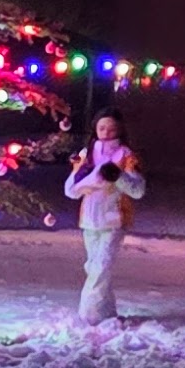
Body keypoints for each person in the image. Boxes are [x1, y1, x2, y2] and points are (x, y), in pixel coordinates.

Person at [64, 107, 145, 325]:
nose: (106, 133)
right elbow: (71, 189)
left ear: (119, 130)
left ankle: (88, 316)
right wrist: (86, 182)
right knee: (94, 266)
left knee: (102, 265)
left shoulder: (126, 156)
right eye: (101, 128)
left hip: (115, 221)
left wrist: (117, 177)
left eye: (111, 129)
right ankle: (107, 313)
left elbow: (138, 190)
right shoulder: (86, 155)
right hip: (89, 221)